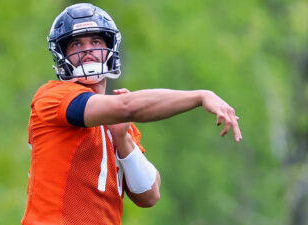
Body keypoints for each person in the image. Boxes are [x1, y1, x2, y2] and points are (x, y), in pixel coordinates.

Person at [21, 3, 242, 225]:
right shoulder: (53, 97)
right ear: (62, 53)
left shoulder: (119, 123)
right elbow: (126, 106)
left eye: (96, 42)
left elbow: (150, 195)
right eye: (77, 43)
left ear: (110, 48)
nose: (87, 50)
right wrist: (200, 96)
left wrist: (123, 139)